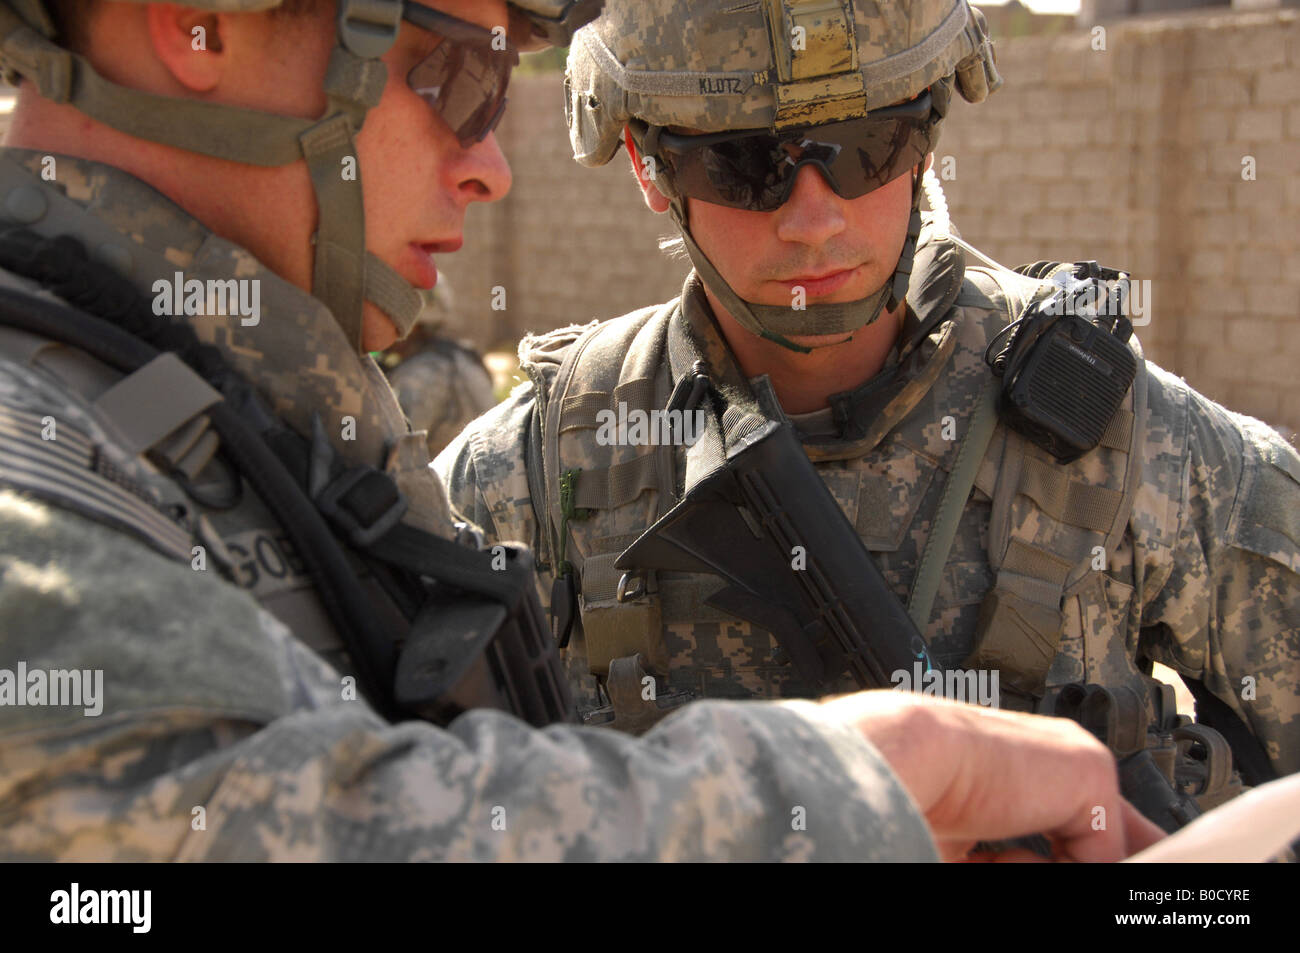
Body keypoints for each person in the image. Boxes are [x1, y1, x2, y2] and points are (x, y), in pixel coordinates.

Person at [0, 0, 1163, 863]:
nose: (492, 167)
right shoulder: (36, 444)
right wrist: (883, 774)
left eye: (871, 146)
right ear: (198, 25)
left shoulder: (239, 419)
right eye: (452, 76)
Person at [436, 0, 1299, 820]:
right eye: (744, 162)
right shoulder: (546, 467)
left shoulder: (1120, 440)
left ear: (925, 143)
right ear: (648, 165)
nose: (813, 219)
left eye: (867, 147)